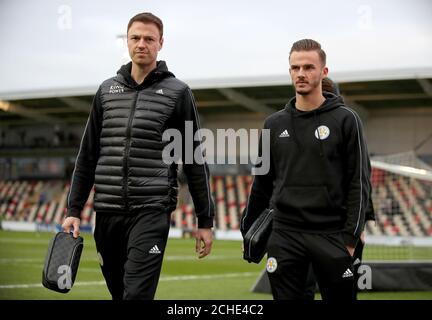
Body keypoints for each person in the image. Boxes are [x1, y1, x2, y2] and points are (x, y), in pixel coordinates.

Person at [62, 12, 215, 300]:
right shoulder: (107, 91)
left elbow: (194, 161)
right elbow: (87, 156)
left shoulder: (178, 92)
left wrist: (204, 221)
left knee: (136, 295)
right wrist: (74, 210)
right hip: (107, 212)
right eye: (135, 37)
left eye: (149, 38)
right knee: (119, 293)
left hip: (151, 211)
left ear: (161, 43)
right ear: (127, 41)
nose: (141, 43)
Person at [241, 39, 371, 300]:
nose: (301, 73)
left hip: (332, 236)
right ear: (289, 71)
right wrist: (248, 229)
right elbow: (262, 183)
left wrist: (349, 238)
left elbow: (359, 181)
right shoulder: (273, 124)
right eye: (295, 67)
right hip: (285, 236)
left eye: (309, 67)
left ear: (323, 72)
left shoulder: (346, 119)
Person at [302, 77, 376, 300]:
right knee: (342, 291)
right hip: (342, 226)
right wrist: (360, 225)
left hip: (308, 225)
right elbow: (362, 176)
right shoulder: (348, 121)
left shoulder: (303, 124)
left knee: (304, 288)